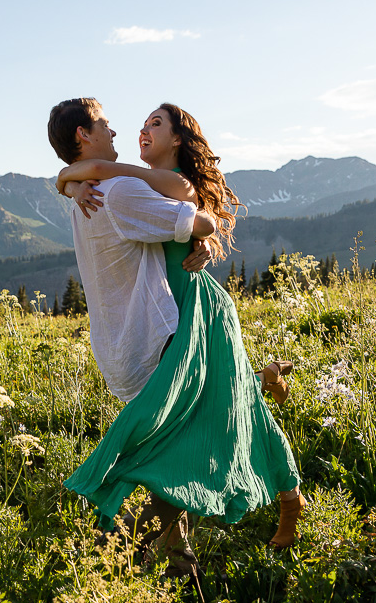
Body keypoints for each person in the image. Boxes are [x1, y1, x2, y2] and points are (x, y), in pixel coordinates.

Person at [46, 99, 304, 573]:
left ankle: (129, 551)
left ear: (178, 140)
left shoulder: (137, 185)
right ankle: (178, 560)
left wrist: (71, 179)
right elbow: (145, 200)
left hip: (195, 314)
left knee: (192, 436)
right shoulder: (118, 189)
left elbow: (187, 209)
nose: (133, 130)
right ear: (84, 134)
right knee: (192, 434)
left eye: (154, 124)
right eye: (113, 124)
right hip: (171, 323)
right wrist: (70, 181)